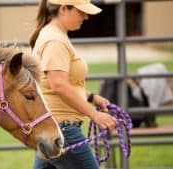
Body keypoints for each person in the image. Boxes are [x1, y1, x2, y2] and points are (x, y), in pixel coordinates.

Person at [29, 0, 117, 169]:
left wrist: (91, 97)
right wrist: (94, 115)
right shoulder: (55, 40)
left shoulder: (54, 35)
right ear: (63, 9)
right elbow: (59, 86)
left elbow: (61, 83)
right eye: (81, 11)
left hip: (54, 126)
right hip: (62, 128)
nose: (86, 16)